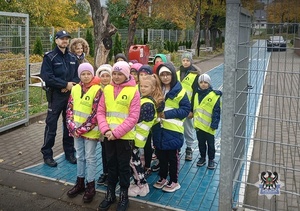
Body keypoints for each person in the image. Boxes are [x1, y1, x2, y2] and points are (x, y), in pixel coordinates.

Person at [97, 61, 140, 211]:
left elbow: (133, 117)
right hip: (108, 136)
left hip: (124, 137)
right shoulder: (107, 89)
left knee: (123, 167)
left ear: (126, 74)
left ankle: (123, 196)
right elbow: (100, 111)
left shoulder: (134, 91)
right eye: (114, 73)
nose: (116, 77)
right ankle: (110, 194)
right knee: (111, 165)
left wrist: (115, 133)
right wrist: (106, 130)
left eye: (119, 74)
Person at [40, 30, 79, 167]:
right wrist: (64, 85)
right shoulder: (50, 57)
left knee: (68, 126)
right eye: (62, 38)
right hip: (55, 97)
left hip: (69, 96)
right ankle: (47, 155)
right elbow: (47, 77)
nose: (65, 41)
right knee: (51, 126)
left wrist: (70, 86)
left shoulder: (73, 58)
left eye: (66, 39)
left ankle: (69, 153)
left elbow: (77, 76)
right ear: (56, 40)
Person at [66, 63, 102, 203]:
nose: (86, 76)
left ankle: (90, 185)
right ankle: (80, 182)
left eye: (88, 73)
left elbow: (95, 114)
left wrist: (80, 129)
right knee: (80, 156)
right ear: (79, 75)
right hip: (76, 131)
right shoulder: (75, 88)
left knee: (90, 157)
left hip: (90, 131)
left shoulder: (97, 90)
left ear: (92, 74)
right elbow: (69, 108)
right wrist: (71, 126)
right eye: (83, 74)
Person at [152, 63, 190, 193]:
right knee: (161, 155)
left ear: (173, 75)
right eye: (162, 74)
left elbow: (185, 110)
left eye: (168, 74)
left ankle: (174, 181)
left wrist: (166, 114)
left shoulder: (180, 91)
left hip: (173, 130)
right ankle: (163, 177)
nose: (165, 77)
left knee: (172, 158)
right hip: (158, 129)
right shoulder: (156, 89)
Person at [128, 74, 164, 197]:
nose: (142, 88)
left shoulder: (147, 104)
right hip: (136, 138)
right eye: (141, 86)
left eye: (146, 86)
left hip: (135, 138)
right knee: (135, 162)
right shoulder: (146, 100)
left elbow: (135, 120)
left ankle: (141, 185)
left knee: (134, 163)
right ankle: (139, 183)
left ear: (153, 88)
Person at [191, 74, 222, 170]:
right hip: (198, 125)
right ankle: (203, 157)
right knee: (201, 143)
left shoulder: (214, 96)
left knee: (211, 144)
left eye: (205, 82)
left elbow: (217, 111)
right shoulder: (196, 94)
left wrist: (214, 124)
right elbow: (194, 107)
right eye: (201, 82)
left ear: (209, 83)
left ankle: (211, 159)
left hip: (209, 126)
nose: (203, 84)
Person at [177, 52, 201, 161]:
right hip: (176, 106)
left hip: (187, 107)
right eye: (184, 60)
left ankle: (189, 148)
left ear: (191, 61)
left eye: (188, 60)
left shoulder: (195, 76)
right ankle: (177, 147)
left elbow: (195, 93)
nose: (185, 62)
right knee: (176, 127)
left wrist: (192, 110)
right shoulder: (177, 73)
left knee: (188, 127)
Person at [95, 64, 113, 186]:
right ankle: (105, 172)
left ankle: (112, 174)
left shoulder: (113, 88)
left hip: (112, 125)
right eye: (103, 76)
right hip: (101, 124)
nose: (105, 78)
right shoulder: (96, 89)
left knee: (112, 151)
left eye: (108, 76)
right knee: (104, 150)